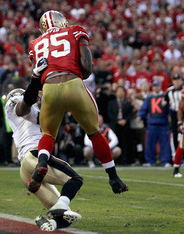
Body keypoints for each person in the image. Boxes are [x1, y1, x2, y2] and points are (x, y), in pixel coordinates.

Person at [27, 10, 128, 215]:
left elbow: (38, 77)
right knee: (94, 131)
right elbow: (87, 65)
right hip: (73, 83)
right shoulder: (74, 30)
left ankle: (43, 162)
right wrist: (74, 75)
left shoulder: (35, 44)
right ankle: (114, 177)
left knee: (48, 133)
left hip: (49, 88)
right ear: (60, 21)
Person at [5, 60, 83, 231]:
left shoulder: (40, 113)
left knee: (65, 215)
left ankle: (49, 223)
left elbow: (45, 117)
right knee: (76, 180)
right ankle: (48, 184)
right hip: (34, 156)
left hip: (25, 170)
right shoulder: (16, 105)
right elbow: (24, 107)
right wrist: (36, 80)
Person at [137, 81, 171, 167]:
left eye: (157, 86)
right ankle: (150, 160)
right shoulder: (149, 98)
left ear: (160, 86)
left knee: (165, 143)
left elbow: (170, 108)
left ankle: (165, 160)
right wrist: (140, 116)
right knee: (150, 143)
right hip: (152, 123)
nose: (156, 88)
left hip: (163, 123)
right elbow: (144, 109)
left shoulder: (165, 96)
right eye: (154, 86)